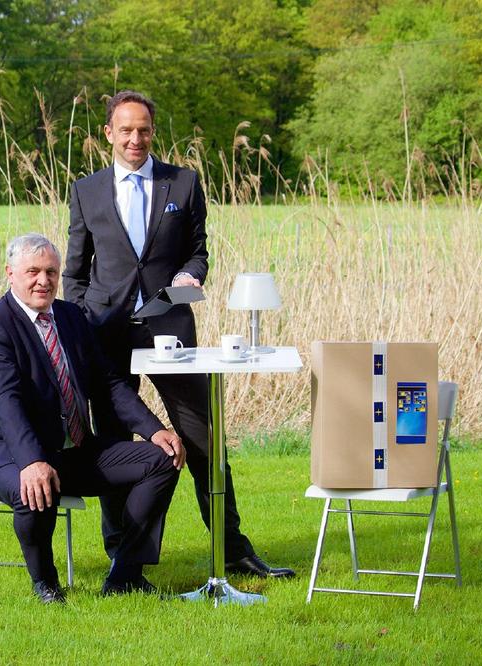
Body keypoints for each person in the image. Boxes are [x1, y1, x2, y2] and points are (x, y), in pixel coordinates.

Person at [62, 90, 294, 579]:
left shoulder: (184, 183)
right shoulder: (86, 191)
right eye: (126, 130)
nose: (135, 139)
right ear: (108, 133)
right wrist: (82, 324)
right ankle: (122, 554)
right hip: (106, 337)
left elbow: (198, 251)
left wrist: (192, 274)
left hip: (170, 331)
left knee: (204, 439)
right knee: (114, 442)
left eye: (144, 130)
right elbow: (75, 272)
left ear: (153, 132)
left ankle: (232, 549)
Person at [0, 233, 183, 604]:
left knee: (164, 458)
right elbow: (5, 401)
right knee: (34, 487)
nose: (43, 280)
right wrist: (32, 461)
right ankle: (46, 584)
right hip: (6, 453)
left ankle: (125, 574)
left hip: (72, 450)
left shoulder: (72, 317)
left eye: (51, 272)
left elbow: (108, 384)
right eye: (33, 271)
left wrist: (154, 430)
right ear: (10, 273)